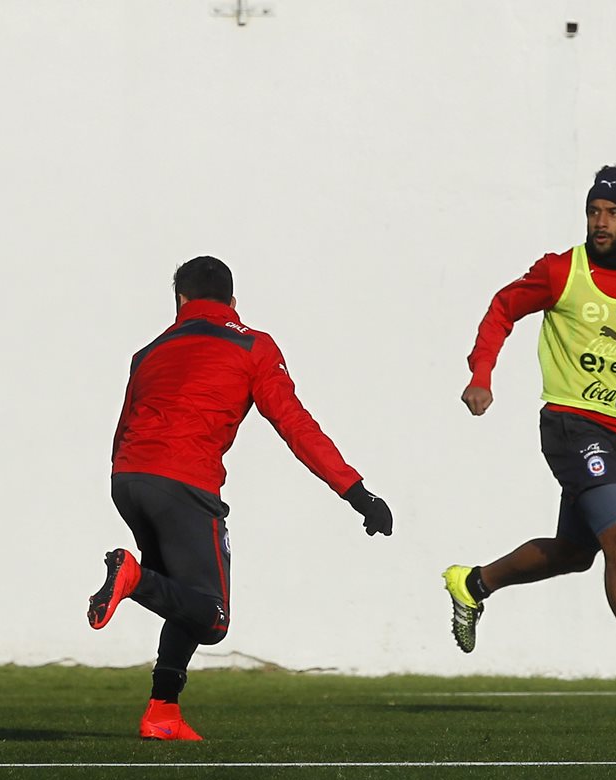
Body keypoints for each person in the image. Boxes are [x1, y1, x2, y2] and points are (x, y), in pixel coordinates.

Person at [88, 256, 393, 740]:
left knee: (184, 597)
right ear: (232, 303)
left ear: (180, 301)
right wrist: (355, 491)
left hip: (128, 479)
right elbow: (295, 425)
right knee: (212, 617)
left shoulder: (146, 352)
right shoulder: (252, 345)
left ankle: (162, 712)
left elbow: (123, 425)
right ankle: (132, 577)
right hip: (185, 482)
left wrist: (128, 479)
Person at [444, 164, 616, 713]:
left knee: (575, 553)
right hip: (572, 425)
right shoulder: (562, 271)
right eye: (593, 211)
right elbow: (502, 309)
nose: (600, 222)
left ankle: (473, 583)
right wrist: (480, 375)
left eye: (612, 213)